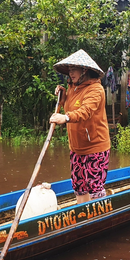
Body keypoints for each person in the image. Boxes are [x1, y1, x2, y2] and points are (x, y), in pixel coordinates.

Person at [49, 49, 111, 204]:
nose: (70, 73)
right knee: (79, 186)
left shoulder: (96, 89)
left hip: (95, 147)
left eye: (73, 69)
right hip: (76, 147)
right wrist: (63, 97)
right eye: (69, 70)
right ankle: (81, 216)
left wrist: (66, 117)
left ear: (84, 70)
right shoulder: (73, 87)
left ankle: (98, 220)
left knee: (94, 187)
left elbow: (85, 111)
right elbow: (70, 106)